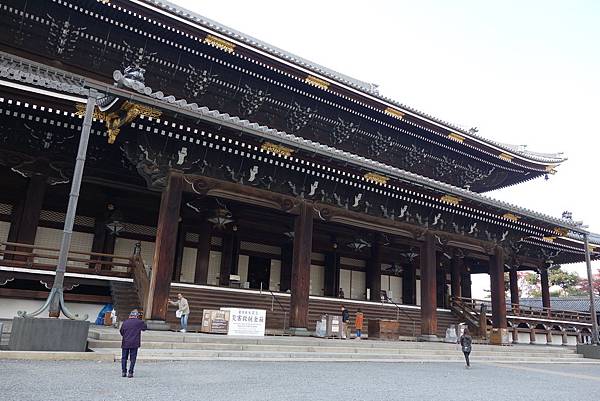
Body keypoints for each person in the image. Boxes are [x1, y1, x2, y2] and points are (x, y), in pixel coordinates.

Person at [120, 309, 147, 378]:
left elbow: (121, 332)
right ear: (137, 316)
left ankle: (123, 372)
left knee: (124, 358)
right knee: (133, 358)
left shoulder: (125, 322)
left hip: (125, 342)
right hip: (135, 343)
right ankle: (130, 372)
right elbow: (144, 328)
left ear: (130, 315)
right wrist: (141, 319)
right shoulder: (139, 322)